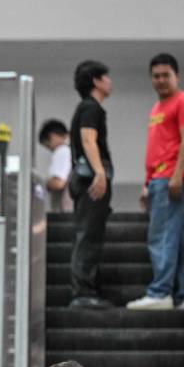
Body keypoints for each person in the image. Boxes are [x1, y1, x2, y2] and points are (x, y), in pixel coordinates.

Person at [128, 53, 184, 311]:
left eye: (165, 75)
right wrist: (147, 183)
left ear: (177, 76)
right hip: (159, 179)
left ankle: (160, 292)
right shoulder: (157, 109)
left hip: (172, 177)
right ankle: (183, 296)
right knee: (176, 238)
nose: (160, 80)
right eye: (156, 76)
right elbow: (157, 148)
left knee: (160, 236)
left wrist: (177, 175)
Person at [67, 60, 115, 310]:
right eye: (106, 77)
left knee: (89, 232)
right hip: (89, 178)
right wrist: (99, 173)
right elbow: (88, 139)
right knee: (88, 234)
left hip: (83, 177)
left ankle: (85, 289)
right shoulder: (90, 108)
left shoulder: (86, 108)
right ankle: (83, 292)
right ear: (96, 81)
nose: (110, 81)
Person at [39, 119, 74, 213]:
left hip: (66, 214)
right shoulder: (74, 150)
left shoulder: (62, 150)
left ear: (52, 136)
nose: (50, 150)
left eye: (48, 146)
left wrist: (39, 183)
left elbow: (58, 183)